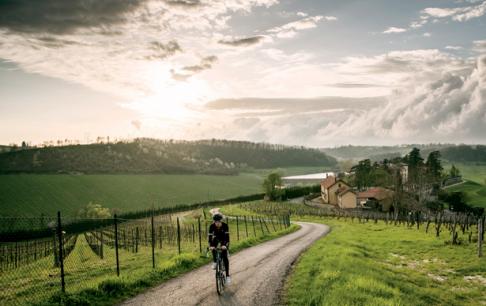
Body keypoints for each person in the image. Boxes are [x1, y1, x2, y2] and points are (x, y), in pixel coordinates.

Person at [208, 213, 231, 284]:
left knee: (225, 257)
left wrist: (225, 245)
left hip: (224, 240)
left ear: (221, 221)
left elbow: (227, 238)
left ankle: (227, 276)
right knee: (213, 246)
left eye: (218, 222)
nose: (217, 223)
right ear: (214, 221)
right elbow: (210, 238)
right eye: (215, 222)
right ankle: (215, 261)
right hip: (216, 239)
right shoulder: (211, 226)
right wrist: (211, 246)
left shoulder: (225, 226)